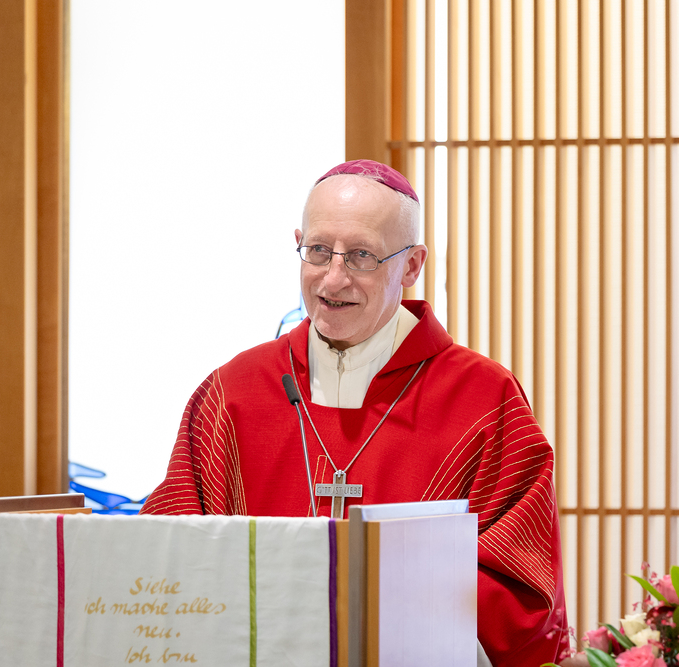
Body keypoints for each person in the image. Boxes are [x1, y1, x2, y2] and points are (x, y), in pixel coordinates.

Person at [141, 159, 570, 666]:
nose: (334, 278)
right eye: (318, 251)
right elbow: (166, 554)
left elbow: (518, 583)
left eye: (362, 255)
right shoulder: (232, 394)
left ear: (411, 266)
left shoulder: (484, 400)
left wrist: (372, 609)